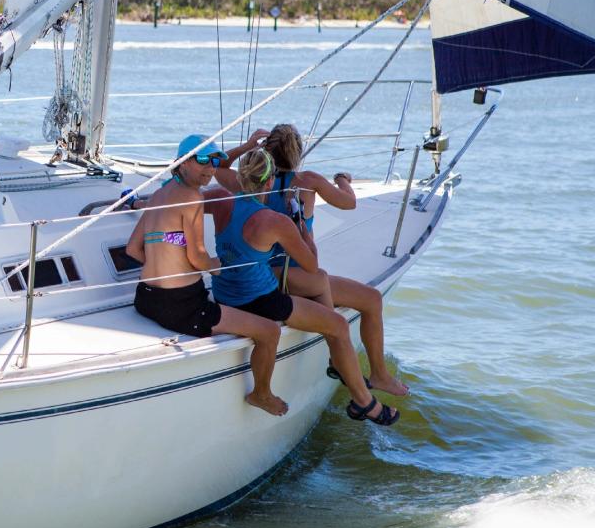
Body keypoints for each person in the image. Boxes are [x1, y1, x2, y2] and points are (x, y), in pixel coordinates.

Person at [207, 149, 399, 426]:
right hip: (259, 299)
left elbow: (176, 202)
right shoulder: (275, 222)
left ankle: (350, 376)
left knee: (322, 296)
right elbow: (310, 264)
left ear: (240, 177)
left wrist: (133, 201)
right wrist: (302, 230)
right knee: (338, 325)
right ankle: (364, 402)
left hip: (224, 292)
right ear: (269, 181)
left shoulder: (219, 200)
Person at [125, 135, 289, 416]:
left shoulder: (159, 195)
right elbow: (199, 257)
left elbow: (133, 248)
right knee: (269, 331)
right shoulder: (191, 197)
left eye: (215, 160)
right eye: (202, 160)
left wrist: (170, 262)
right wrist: (220, 266)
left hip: (146, 298)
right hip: (182, 307)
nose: (211, 167)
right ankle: (261, 394)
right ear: (182, 162)